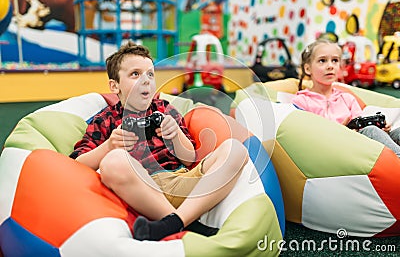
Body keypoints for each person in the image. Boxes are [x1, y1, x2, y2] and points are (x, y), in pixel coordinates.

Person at [69, 41, 249, 241]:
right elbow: (76, 165)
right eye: (135, 74)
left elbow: (190, 159)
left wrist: (176, 136)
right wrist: (109, 146)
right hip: (143, 188)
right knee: (113, 161)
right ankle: (186, 224)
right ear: (115, 85)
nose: (145, 80)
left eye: (150, 74)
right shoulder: (105, 120)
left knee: (236, 149)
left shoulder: (165, 109)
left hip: (183, 180)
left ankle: (175, 223)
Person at [292, 39, 400, 157]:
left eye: (335, 61)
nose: (330, 66)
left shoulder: (347, 98)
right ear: (307, 69)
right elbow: (306, 137)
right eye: (322, 61)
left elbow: (362, 129)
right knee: (371, 131)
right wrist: (341, 130)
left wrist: (382, 130)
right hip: (336, 150)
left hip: (361, 144)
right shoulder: (302, 101)